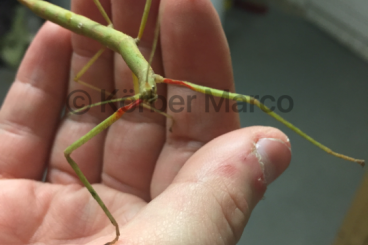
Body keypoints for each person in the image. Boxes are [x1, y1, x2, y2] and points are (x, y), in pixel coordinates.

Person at [0, 0, 291, 244]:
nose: (148, 94)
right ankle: (113, 225)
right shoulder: (133, 48)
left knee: (250, 100)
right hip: (93, 31)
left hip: (112, 38)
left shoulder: (140, 57)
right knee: (69, 151)